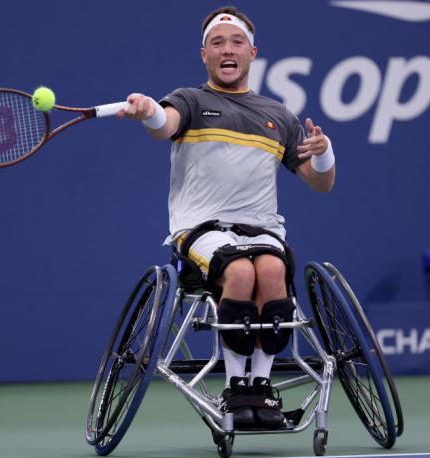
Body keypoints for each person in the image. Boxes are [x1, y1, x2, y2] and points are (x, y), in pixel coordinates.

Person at [118, 6, 335, 429]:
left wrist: (323, 152)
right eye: (217, 43)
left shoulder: (280, 117)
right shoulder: (191, 100)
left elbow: (321, 183)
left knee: (272, 270)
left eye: (236, 42)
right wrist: (149, 112)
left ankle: (261, 388)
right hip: (201, 230)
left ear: (252, 53)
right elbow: (166, 125)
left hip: (262, 229)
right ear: (205, 55)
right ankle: (238, 390)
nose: (227, 49)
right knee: (239, 273)